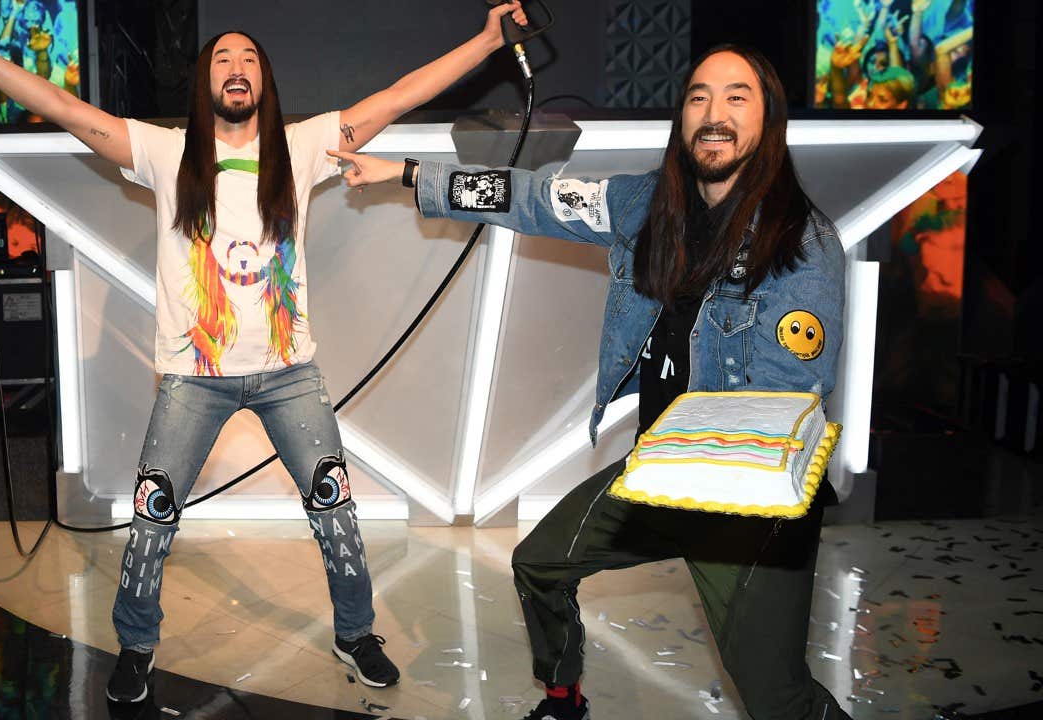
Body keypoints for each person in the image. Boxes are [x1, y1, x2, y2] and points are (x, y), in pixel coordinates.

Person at [0, 0, 529, 705]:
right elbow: (60, 103)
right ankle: (137, 645)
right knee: (153, 516)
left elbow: (400, 95)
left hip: (288, 376)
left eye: (249, 60)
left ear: (264, 83)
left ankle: (356, 632)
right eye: (222, 59)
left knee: (335, 512)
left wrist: (488, 41)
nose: (236, 69)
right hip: (192, 380)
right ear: (203, 82)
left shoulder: (302, 147)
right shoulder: (163, 152)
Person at [330, 45, 850, 720]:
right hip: (659, 471)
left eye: (735, 97)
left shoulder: (801, 245)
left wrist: (709, 484)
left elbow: (782, 405)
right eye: (698, 97)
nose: (713, 114)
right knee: (539, 563)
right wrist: (405, 174)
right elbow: (534, 199)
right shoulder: (645, 205)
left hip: (744, 503)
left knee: (777, 698)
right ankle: (563, 697)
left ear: (768, 121)